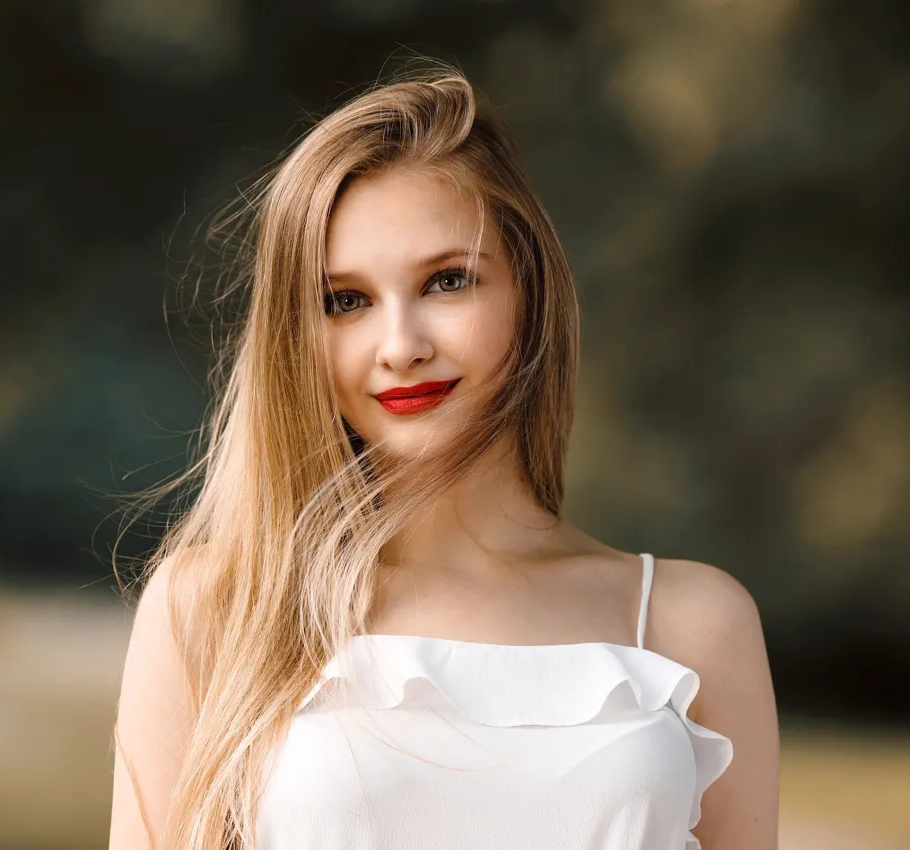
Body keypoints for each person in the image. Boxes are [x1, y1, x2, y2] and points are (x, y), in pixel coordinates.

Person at [108, 63, 779, 850]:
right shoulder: (219, 607)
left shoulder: (693, 626)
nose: (400, 346)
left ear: (528, 289)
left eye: (446, 282)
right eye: (346, 301)